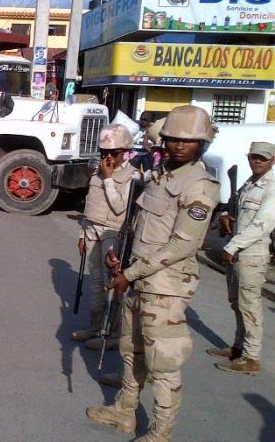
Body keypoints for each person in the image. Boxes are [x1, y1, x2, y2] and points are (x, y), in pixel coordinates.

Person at [86, 105, 219, 442]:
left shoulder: (200, 186)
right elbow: (139, 226)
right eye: (173, 139)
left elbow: (181, 246)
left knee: (164, 364)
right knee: (132, 351)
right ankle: (124, 411)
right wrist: (121, 256)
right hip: (136, 277)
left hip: (166, 286)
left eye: (188, 142)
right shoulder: (159, 178)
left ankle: (161, 432)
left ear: (202, 145)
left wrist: (131, 273)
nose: (178, 146)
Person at [209, 141, 275, 375]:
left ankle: (251, 357)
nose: (257, 161)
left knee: (249, 306)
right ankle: (238, 347)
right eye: (254, 156)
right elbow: (236, 209)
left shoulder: (271, 186)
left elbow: (262, 224)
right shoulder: (249, 183)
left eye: (263, 158)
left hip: (252, 253)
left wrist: (233, 246)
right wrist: (226, 216)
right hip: (236, 251)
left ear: (273, 160)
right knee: (236, 303)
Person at [72, 125, 136, 347]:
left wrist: (109, 179)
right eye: (104, 153)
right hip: (92, 231)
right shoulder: (99, 171)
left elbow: (120, 208)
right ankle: (95, 327)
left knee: (112, 286)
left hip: (113, 234)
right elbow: (90, 203)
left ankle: (112, 334)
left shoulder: (132, 176)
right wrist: (83, 232)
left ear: (125, 152)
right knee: (96, 284)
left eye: (114, 153)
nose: (108, 157)